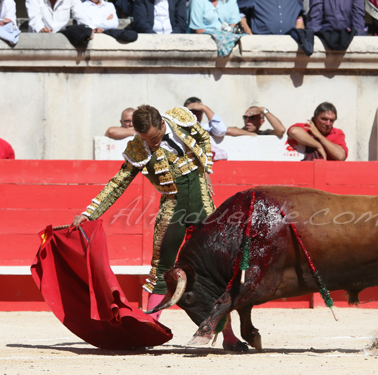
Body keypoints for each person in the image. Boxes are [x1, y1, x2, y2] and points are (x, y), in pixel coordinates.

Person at [71, 105, 248, 353]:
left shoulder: (180, 119)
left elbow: (204, 137)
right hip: (172, 207)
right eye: (145, 140)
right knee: (161, 269)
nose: (151, 145)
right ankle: (149, 329)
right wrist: (89, 213)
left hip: (202, 204)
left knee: (216, 267)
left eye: (153, 138)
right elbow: (118, 182)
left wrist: (206, 169)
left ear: (162, 124)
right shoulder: (139, 146)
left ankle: (227, 335)